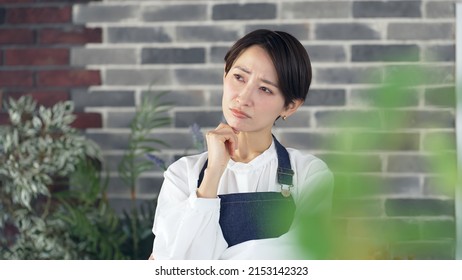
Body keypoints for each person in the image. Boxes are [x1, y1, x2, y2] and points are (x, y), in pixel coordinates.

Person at [149, 29, 334, 260]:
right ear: (224, 75)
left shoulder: (310, 175)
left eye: (265, 88)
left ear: (290, 106)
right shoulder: (181, 175)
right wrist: (213, 173)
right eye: (239, 77)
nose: (243, 98)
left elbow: (301, 260)